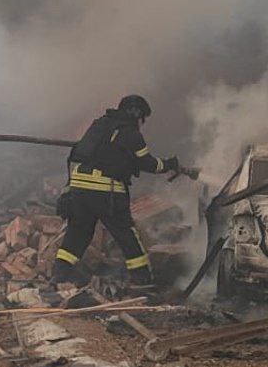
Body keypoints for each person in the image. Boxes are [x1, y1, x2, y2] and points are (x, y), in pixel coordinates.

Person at [50, 95, 183, 287]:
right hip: (105, 190)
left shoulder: (99, 125)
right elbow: (149, 163)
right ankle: (142, 280)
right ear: (135, 112)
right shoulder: (130, 133)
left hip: (78, 187)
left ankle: (58, 276)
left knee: (77, 233)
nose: (141, 123)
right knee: (126, 235)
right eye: (142, 118)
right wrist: (170, 164)